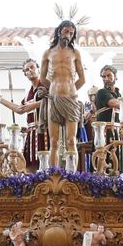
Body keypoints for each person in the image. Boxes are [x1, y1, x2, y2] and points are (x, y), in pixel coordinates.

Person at [39, 19, 86, 169]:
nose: (68, 35)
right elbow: (42, 78)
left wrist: (70, 90)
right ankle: (54, 175)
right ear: (59, 32)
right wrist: (53, 89)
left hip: (71, 99)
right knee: (54, 142)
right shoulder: (48, 53)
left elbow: (82, 79)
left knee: (71, 140)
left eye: (71, 33)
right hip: (53, 100)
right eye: (66, 32)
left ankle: (72, 176)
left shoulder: (75, 53)